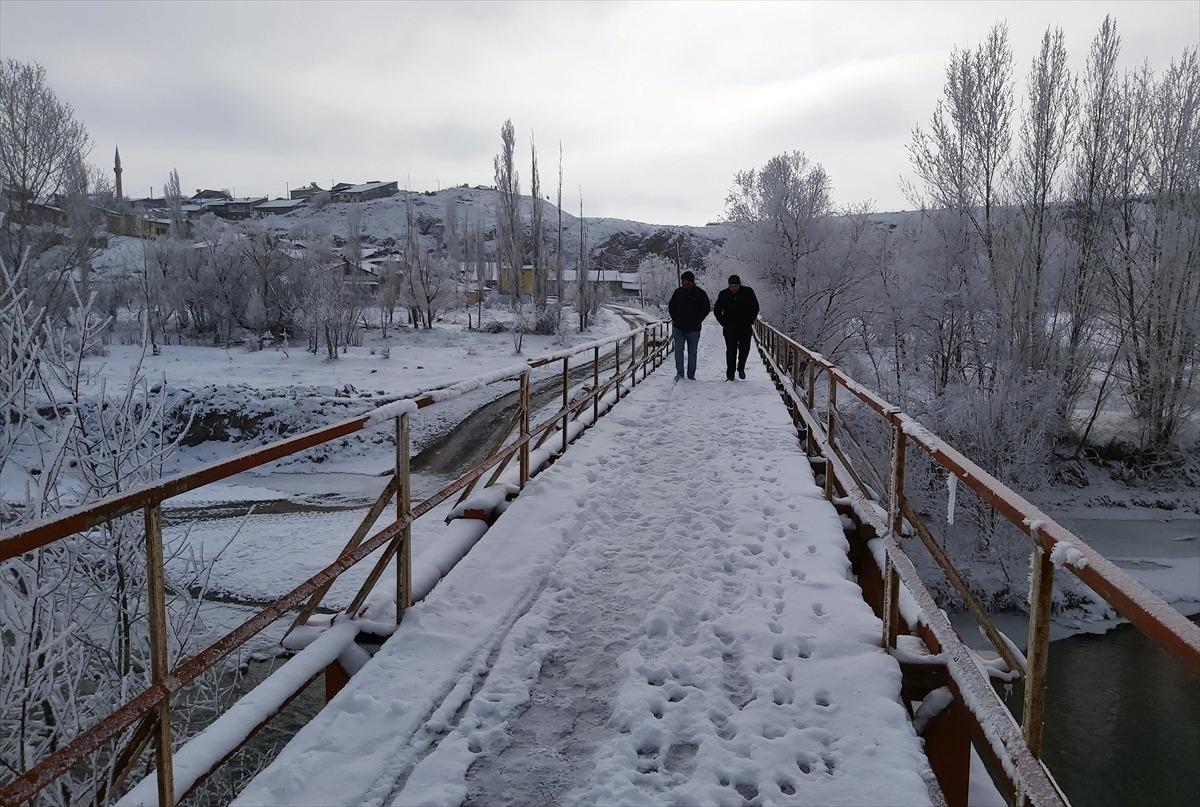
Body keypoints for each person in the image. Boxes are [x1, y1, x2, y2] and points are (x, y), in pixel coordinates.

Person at [713, 274, 760, 381]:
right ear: (728, 285)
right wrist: (723, 323)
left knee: (745, 349)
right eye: (731, 286)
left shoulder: (748, 292)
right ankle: (730, 374)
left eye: (735, 286)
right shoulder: (723, 294)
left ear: (739, 285)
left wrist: (750, 320)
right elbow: (717, 310)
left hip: (745, 327)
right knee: (731, 351)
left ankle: (741, 368)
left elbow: (755, 307)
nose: (733, 288)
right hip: (729, 328)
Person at [667, 270, 710, 380]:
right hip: (679, 328)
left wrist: (698, 320)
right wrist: (675, 318)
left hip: (694, 329)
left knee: (692, 353)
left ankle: (691, 375)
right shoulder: (678, 292)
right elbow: (671, 306)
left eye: (684, 281)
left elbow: (706, 309)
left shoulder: (700, 294)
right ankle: (680, 373)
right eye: (682, 281)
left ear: (690, 282)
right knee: (678, 351)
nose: (682, 284)